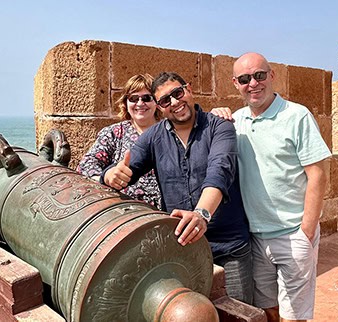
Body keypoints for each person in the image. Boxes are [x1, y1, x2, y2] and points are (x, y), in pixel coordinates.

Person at [100, 71, 253, 304]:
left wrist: (201, 214)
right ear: (160, 108)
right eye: (164, 100)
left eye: (177, 93)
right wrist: (111, 175)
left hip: (228, 247)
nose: (174, 103)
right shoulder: (154, 137)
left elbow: (220, 171)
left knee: (241, 314)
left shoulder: (219, 127)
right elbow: (127, 170)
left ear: (188, 89)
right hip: (185, 252)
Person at [212, 52, 331, 322]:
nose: (253, 83)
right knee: (269, 309)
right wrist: (216, 115)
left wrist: (306, 231)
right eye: (244, 79)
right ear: (235, 83)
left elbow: (318, 174)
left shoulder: (296, 116)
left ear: (272, 75)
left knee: (294, 315)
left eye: (259, 75)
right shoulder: (236, 122)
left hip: (292, 235)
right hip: (256, 237)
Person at [77, 74, 161, 209]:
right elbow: (85, 165)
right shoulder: (114, 133)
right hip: (124, 211)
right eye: (133, 98)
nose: (140, 103)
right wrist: (106, 177)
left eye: (146, 98)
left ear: (156, 102)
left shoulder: (169, 133)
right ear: (126, 103)